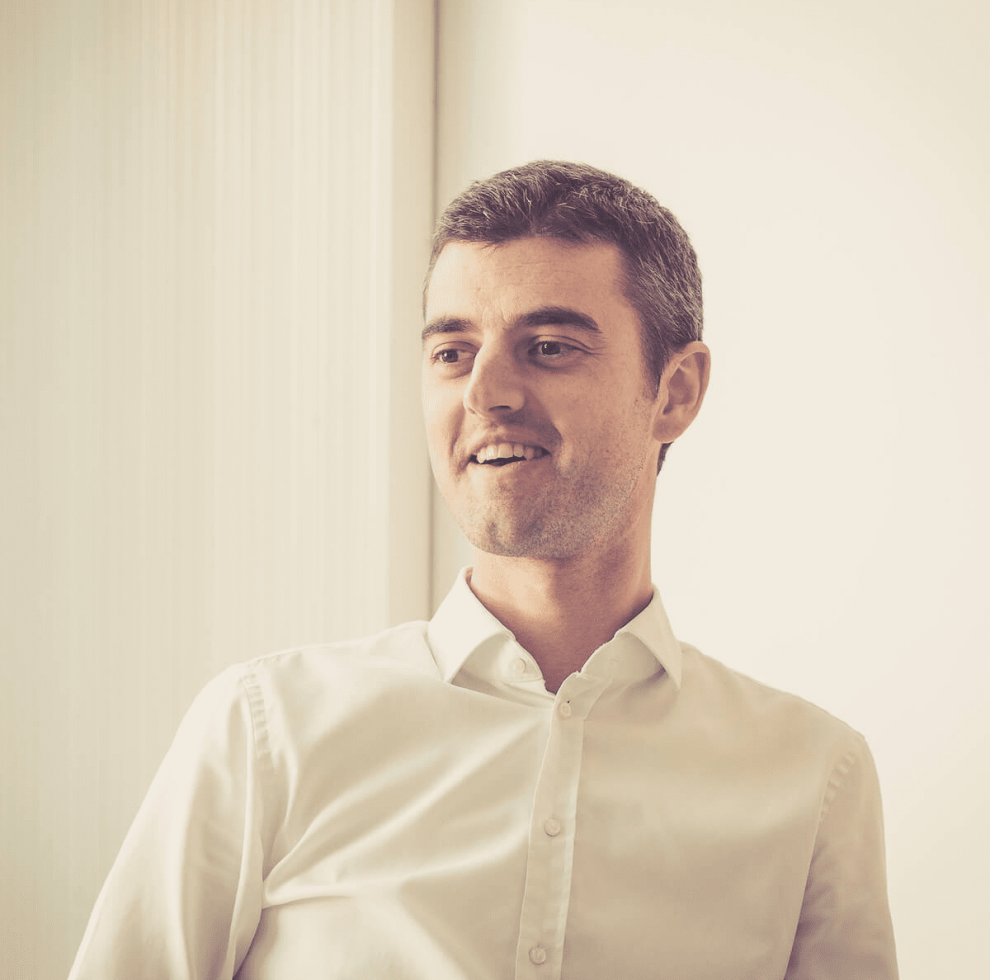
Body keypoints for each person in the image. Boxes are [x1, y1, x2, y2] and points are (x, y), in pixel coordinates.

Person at [69, 160, 898, 979]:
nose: (484, 393)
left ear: (675, 391)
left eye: (549, 347)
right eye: (452, 352)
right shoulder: (264, 732)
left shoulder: (813, 777)